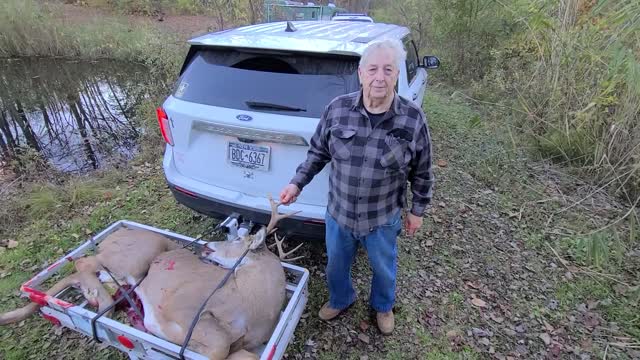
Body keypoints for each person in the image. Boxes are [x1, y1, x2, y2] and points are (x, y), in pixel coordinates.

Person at [279, 38, 434, 335]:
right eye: (372, 69)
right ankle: (341, 298)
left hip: (382, 217)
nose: (380, 77)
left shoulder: (413, 119)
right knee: (336, 265)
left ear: (396, 75)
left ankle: (383, 305)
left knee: (384, 268)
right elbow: (317, 153)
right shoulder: (337, 110)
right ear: (360, 74)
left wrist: (418, 210)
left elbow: (423, 169)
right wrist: (297, 183)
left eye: (388, 70)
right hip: (340, 213)